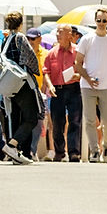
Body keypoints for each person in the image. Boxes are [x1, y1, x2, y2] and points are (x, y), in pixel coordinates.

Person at [74, 8, 107, 162]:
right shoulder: (86, 39)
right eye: (98, 20)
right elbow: (78, 63)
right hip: (87, 86)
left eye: (104, 20)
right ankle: (94, 150)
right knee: (89, 120)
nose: (101, 23)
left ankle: (106, 147)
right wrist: (88, 78)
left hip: (106, 86)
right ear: (95, 21)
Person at [0, 11, 43, 165]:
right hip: (22, 82)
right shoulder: (20, 37)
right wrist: (35, 71)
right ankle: (12, 145)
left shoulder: (5, 40)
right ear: (20, 23)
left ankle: (17, 152)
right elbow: (30, 58)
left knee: (15, 117)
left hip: (9, 84)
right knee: (31, 118)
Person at [43, 23, 83, 161]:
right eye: (58, 32)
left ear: (70, 35)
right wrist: (50, 85)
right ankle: (59, 151)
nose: (58, 34)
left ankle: (73, 152)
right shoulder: (51, 53)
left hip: (74, 89)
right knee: (57, 122)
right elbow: (46, 72)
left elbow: (85, 69)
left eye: (61, 32)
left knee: (75, 121)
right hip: (57, 90)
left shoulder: (78, 52)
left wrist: (79, 75)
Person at [26, 28, 48, 158]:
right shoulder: (24, 53)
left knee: (38, 124)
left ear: (39, 39)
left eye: (33, 39)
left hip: (40, 94)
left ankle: (32, 150)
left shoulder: (45, 54)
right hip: (26, 93)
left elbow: (46, 74)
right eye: (28, 38)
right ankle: (26, 149)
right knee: (27, 122)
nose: (30, 41)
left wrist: (44, 91)